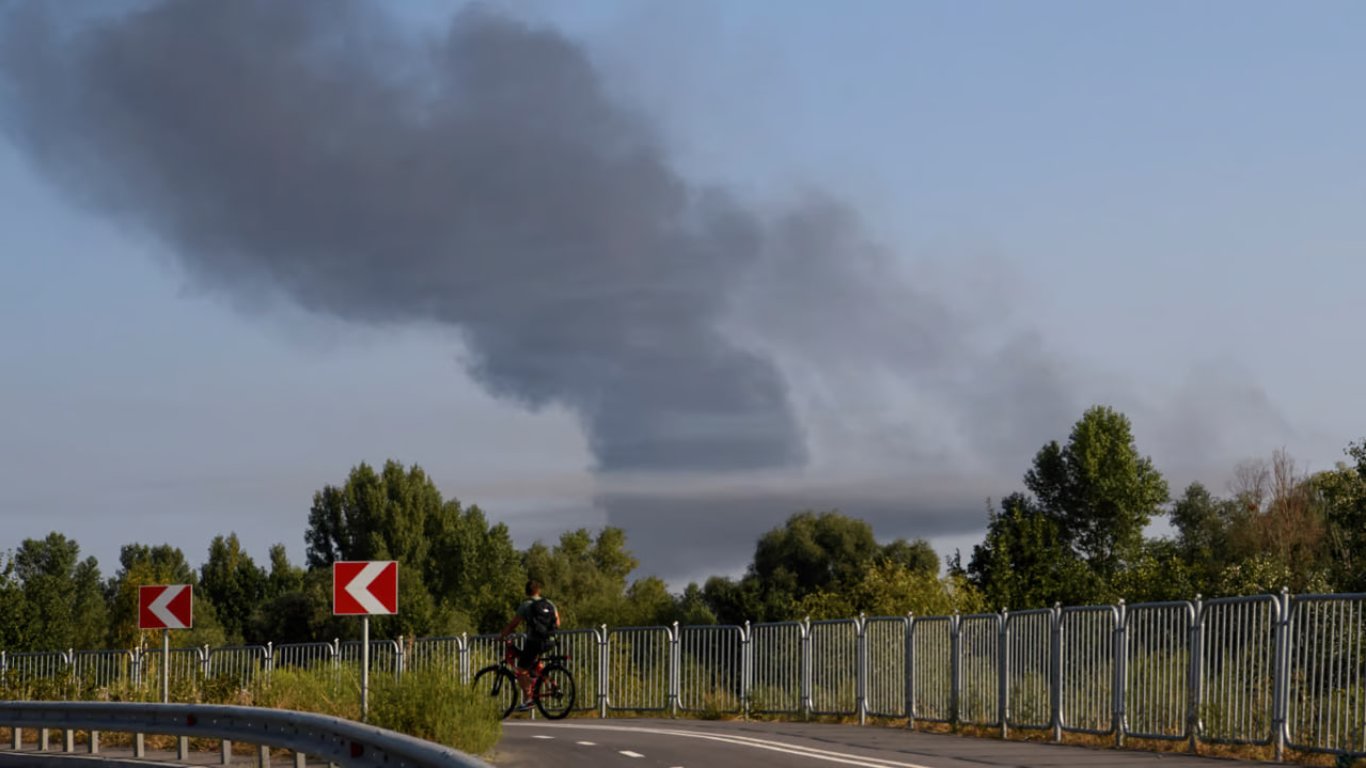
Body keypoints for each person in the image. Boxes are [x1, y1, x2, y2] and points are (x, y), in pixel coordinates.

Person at [498, 579, 560, 710]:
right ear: (539, 590)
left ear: (526, 591)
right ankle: (553, 684)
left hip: (535, 641)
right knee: (535, 665)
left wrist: (502, 635)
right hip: (551, 640)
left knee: (521, 669)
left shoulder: (526, 605)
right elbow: (558, 622)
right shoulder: (549, 603)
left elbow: (513, 624)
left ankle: (528, 699)